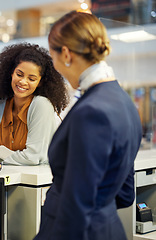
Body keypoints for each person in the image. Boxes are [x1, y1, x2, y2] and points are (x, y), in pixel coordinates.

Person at [35, 11, 142, 240]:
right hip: (107, 227)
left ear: (65, 53)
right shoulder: (124, 102)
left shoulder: (91, 112)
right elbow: (125, 193)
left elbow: (77, 204)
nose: (54, 65)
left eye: (52, 56)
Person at [0, 42, 69, 165]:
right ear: (11, 73)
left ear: (40, 82)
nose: (23, 82)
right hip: (3, 180)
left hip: (38, 182)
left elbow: (32, 157)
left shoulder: (41, 105)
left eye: (31, 79)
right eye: (19, 74)